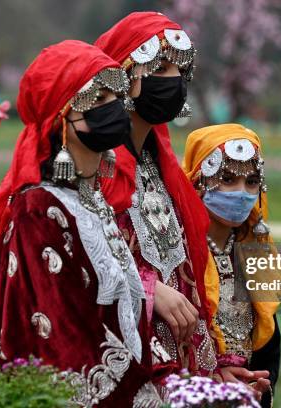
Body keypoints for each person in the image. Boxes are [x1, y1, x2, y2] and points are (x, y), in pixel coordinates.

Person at [0, 40, 163, 406]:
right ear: (62, 118)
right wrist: (140, 396)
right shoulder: (38, 210)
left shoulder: (94, 200)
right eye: (97, 100)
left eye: (115, 96)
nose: (114, 109)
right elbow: (62, 336)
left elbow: (126, 316)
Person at [94, 12, 218, 380]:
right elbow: (78, 265)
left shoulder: (160, 166)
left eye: (181, 70)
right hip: (122, 363)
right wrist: (147, 290)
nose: (174, 81)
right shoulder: (94, 165)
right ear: (124, 76)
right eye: (159, 68)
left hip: (178, 363)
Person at [183, 124, 281, 407]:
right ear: (198, 179)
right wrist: (213, 377)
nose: (241, 193)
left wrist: (258, 384)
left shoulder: (255, 254)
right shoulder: (178, 253)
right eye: (227, 179)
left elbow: (268, 343)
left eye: (251, 182)